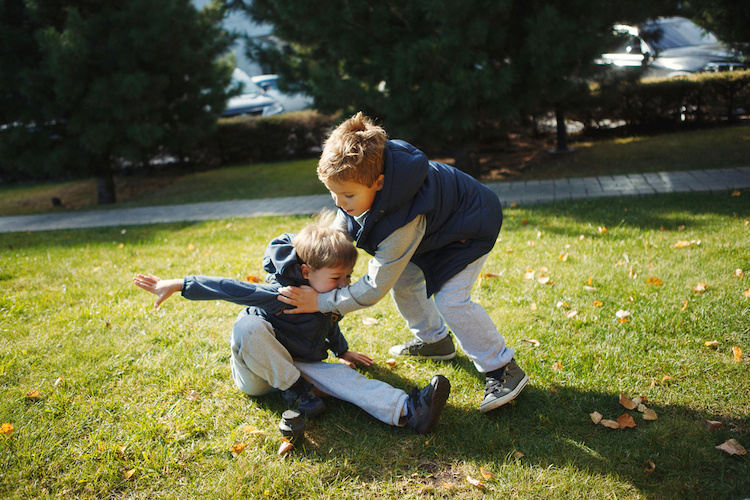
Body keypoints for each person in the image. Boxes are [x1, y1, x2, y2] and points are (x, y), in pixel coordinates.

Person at [276, 112, 528, 413]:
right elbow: (340, 231)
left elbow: (373, 287)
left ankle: (502, 367)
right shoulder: (363, 183)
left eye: (347, 194)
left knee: (451, 301)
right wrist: (306, 255)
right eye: (333, 193)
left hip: (468, 229)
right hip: (433, 233)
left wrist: (321, 302)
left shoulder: (403, 222)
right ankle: (435, 341)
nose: (339, 203)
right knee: (405, 283)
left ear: (379, 184)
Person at [132, 219, 450, 434]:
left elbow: (327, 325)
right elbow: (228, 288)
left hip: (297, 366)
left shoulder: (326, 297)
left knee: (342, 376)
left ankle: (409, 411)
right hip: (258, 373)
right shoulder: (281, 293)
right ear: (306, 271)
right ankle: (297, 392)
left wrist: (343, 350)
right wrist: (179, 284)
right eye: (337, 278)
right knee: (247, 326)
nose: (345, 284)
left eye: (348, 277)